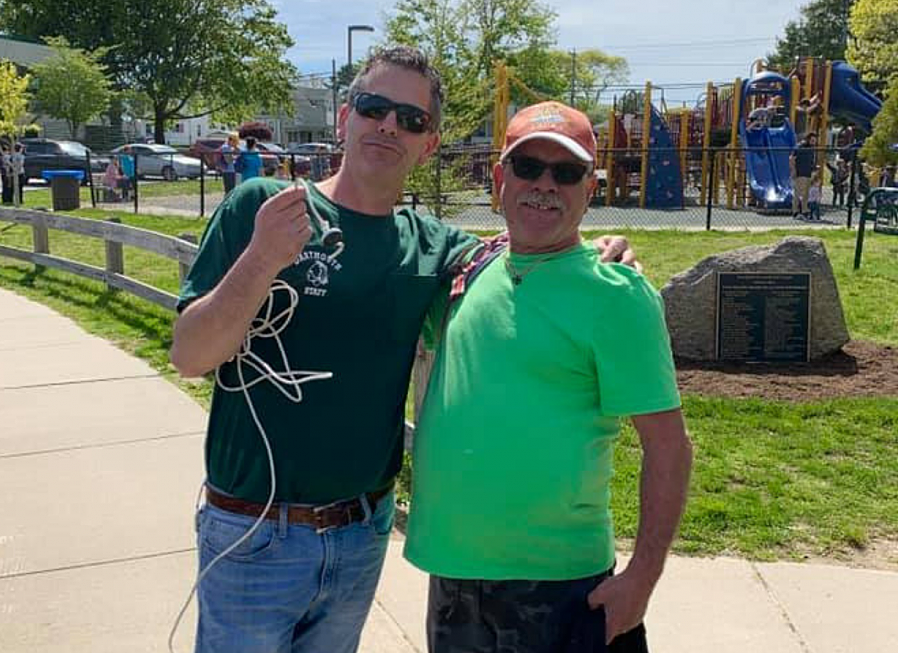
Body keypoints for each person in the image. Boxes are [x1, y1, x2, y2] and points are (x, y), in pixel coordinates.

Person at [170, 46, 636, 653]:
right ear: (345, 117)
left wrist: (602, 256)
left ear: (429, 143)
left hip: (361, 534)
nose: (389, 125)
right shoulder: (262, 206)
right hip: (254, 531)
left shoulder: (433, 248)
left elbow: (528, 249)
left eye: (412, 119)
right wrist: (261, 260)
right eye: (374, 107)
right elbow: (189, 355)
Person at [405, 101, 692, 653]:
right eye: (527, 167)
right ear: (499, 178)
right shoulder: (471, 268)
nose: (544, 184)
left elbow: (669, 448)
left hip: (562, 590)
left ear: (590, 188)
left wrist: (642, 578)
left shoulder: (617, 295)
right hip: (452, 575)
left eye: (565, 172)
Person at [790, 132, 818, 219]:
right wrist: (793, 170)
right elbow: (791, 158)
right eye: (812, 140)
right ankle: (795, 211)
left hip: (808, 173)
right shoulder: (800, 147)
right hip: (800, 173)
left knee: (806, 194)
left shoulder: (812, 149)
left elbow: (811, 161)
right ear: (808, 139)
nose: (814, 142)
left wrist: (814, 169)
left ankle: (804, 211)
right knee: (798, 193)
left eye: (815, 140)